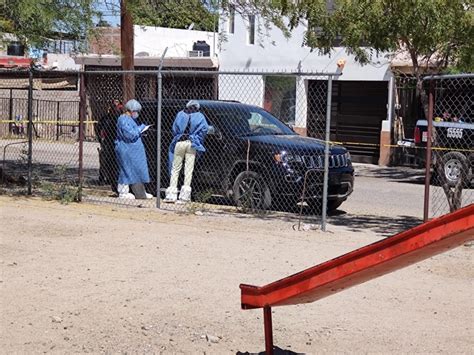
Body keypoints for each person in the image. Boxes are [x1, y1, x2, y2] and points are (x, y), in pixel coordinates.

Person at [164, 100, 209, 203]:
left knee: (175, 168)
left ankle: (171, 194)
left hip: (179, 142)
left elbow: (174, 128)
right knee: (188, 169)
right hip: (191, 142)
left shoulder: (180, 114)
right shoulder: (200, 116)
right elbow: (204, 129)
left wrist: (178, 135)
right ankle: (184, 196)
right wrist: (197, 138)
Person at [115, 99, 152, 199]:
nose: (137, 114)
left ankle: (140, 192)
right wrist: (140, 129)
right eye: (136, 111)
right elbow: (129, 134)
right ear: (131, 110)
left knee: (137, 169)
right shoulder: (123, 119)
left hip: (132, 150)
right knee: (126, 169)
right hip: (126, 149)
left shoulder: (131, 120)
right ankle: (123, 191)